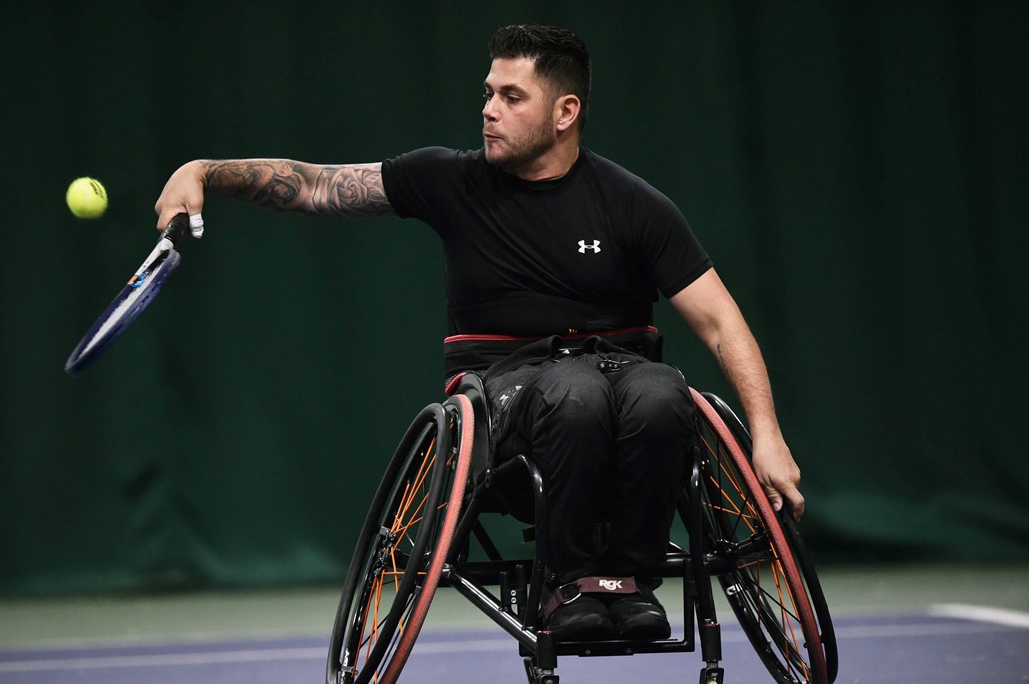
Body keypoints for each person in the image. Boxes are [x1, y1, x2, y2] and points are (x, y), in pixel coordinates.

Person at [155, 24, 804, 642]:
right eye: (488, 93)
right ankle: (571, 583)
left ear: (565, 110)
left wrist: (766, 437)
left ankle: (628, 580)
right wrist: (206, 172)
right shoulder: (450, 180)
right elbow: (320, 187)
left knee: (665, 391)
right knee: (574, 390)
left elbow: (722, 323)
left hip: (627, 398)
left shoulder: (634, 205)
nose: (489, 109)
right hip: (505, 408)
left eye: (511, 96)